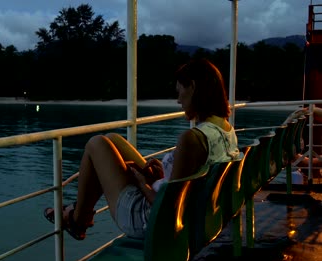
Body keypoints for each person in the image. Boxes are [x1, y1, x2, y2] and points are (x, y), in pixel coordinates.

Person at [44, 58, 241, 240]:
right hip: (191, 211)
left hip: (148, 219)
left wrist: (142, 183)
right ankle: (78, 212)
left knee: (96, 143)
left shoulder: (193, 138)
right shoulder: (226, 130)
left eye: (179, 91)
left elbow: (167, 210)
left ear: (194, 87)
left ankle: (78, 219)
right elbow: (185, 184)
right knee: (112, 139)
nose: (178, 100)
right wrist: (160, 176)